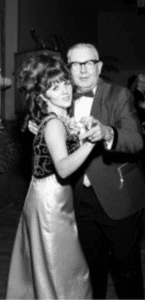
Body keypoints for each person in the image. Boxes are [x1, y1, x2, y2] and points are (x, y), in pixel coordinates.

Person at [29, 43, 145, 299]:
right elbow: (45, 120)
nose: (82, 70)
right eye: (75, 64)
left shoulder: (119, 95)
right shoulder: (62, 94)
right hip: (78, 200)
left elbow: (136, 140)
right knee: (89, 273)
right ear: (67, 68)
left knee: (126, 272)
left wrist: (107, 132)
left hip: (118, 197)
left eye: (89, 63)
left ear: (100, 66)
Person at [5, 53, 94, 299]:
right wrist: (91, 143)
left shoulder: (54, 120)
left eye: (65, 83)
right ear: (43, 95)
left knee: (53, 261)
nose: (65, 90)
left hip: (50, 196)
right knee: (60, 264)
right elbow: (64, 168)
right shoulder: (53, 123)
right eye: (55, 87)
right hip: (50, 201)